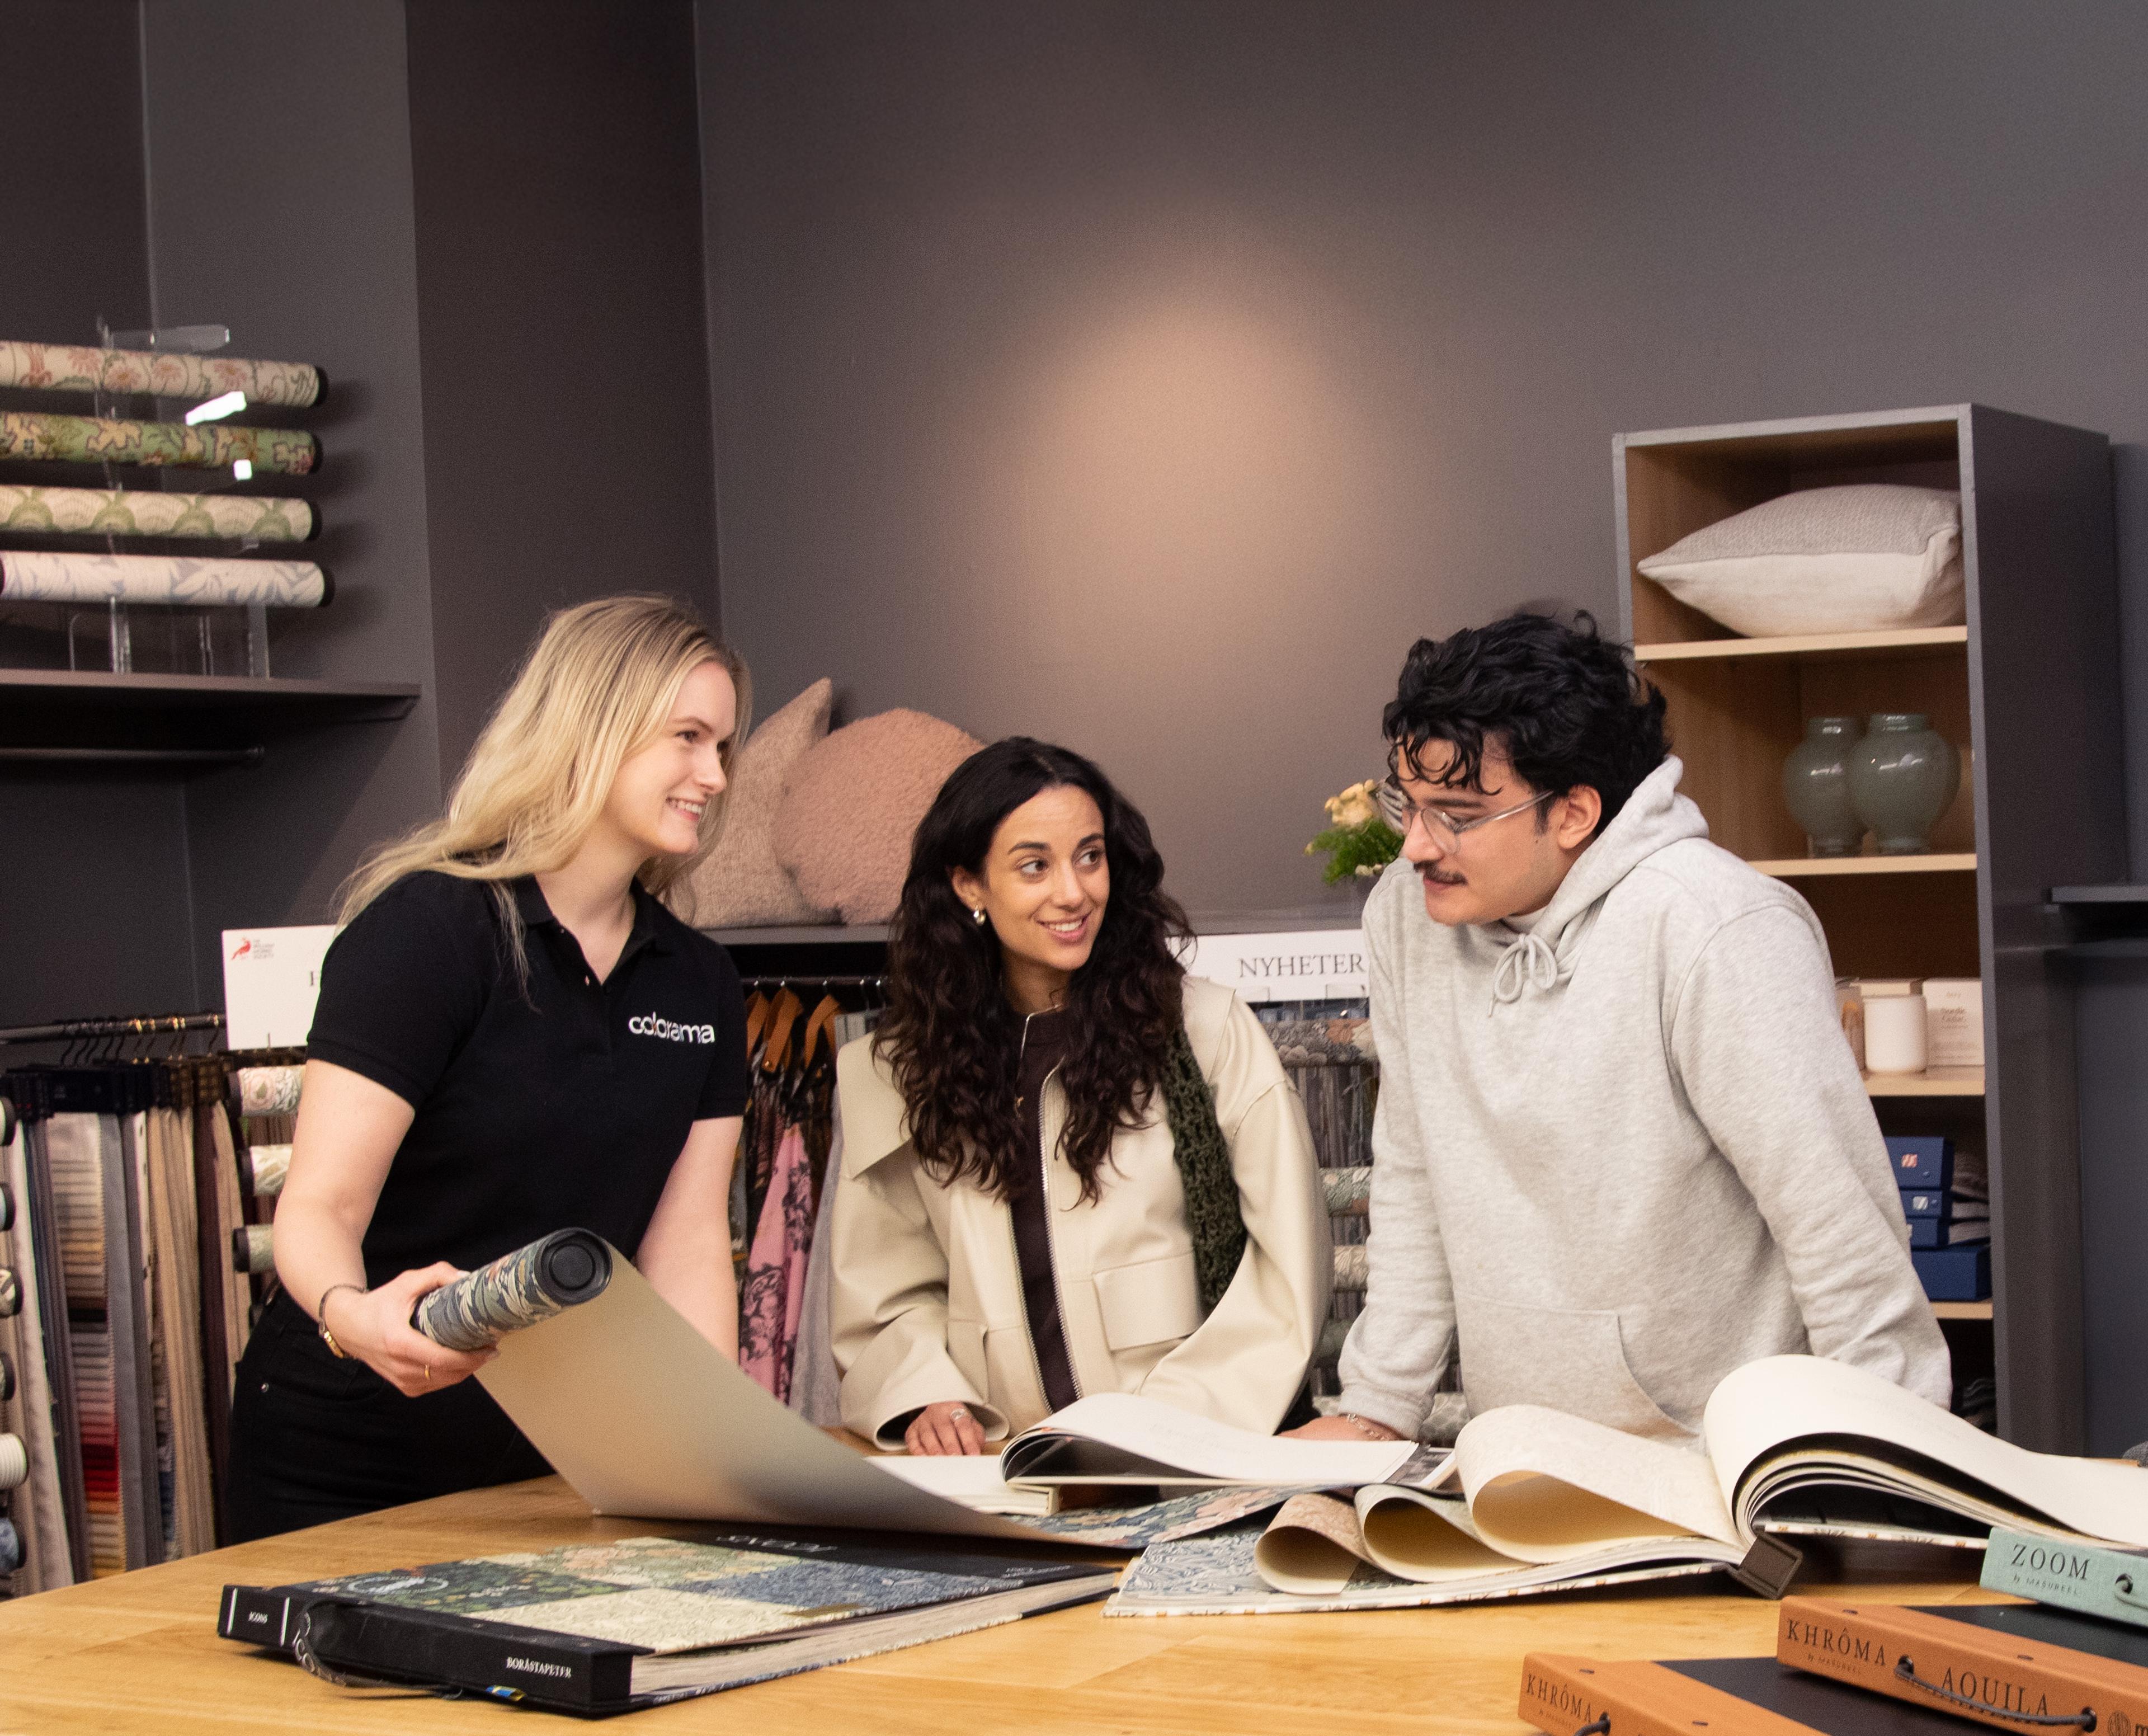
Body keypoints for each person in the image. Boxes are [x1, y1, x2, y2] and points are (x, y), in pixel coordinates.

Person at [1292, 611, 1949, 1446]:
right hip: (1529, 1461)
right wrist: (1378, 1405)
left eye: (1456, 812)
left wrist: (1896, 1463)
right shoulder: (1407, 916)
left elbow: (1835, 1222)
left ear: (1574, 812)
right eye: (1408, 804)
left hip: (1730, 1459)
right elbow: (1417, 1167)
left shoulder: (1715, 925)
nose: (1418, 844)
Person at [228, 595, 754, 1539]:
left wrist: (707, 1451)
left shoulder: (702, 981)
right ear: (593, 726)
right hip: (346, 1451)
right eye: (688, 737)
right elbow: (319, 1208)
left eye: (722, 745)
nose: (714, 773)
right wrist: (355, 1315)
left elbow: (686, 1252)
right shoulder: (430, 933)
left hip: (543, 1455)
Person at [830, 738, 1331, 1454]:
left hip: (1185, 1456)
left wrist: (1153, 1431)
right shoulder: (898, 1072)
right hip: (1001, 1473)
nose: (1073, 891)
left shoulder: (1208, 1033)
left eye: (1089, 856)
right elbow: (885, 1288)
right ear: (969, 885)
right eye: (1034, 865)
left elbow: (1287, 1271)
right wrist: (925, 1394)